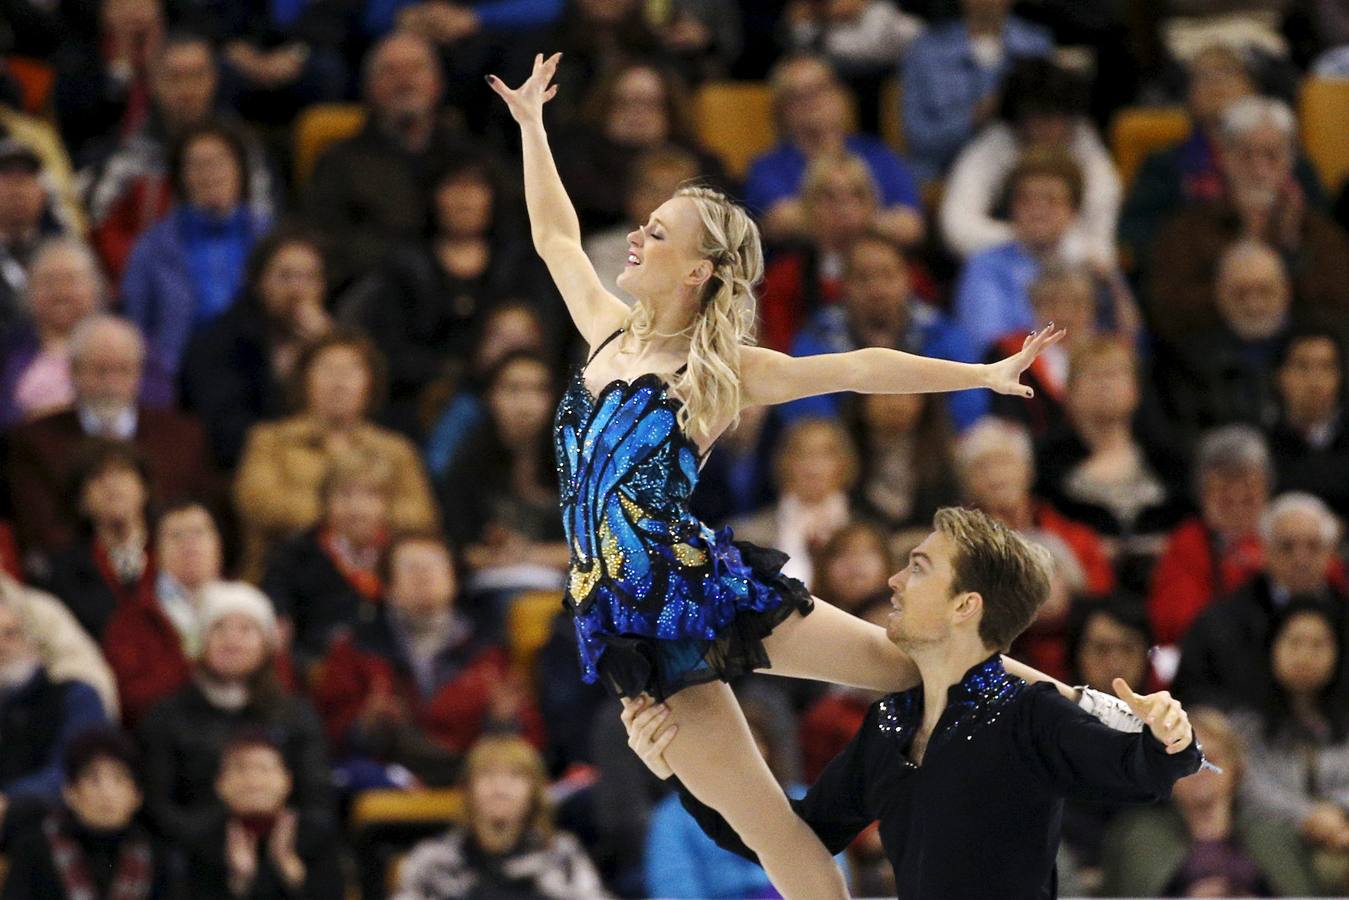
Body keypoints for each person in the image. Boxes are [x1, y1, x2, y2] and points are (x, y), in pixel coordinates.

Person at [490, 52, 1077, 899]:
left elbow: (857, 367)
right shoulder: (606, 332)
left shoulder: (715, 367)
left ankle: (1075, 705)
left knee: (904, 661)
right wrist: (532, 126)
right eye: (644, 223)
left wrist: (978, 376)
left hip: (694, 586)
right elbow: (552, 235)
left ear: (698, 270)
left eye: (658, 231)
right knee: (771, 830)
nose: (636, 235)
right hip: (634, 622)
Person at [626, 506, 1203, 897]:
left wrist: (1172, 736)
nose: (895, 582)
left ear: (964, 606)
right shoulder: (890, 722)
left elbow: (1137, 770)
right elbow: (787, 836)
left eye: (918, 569)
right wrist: (685, 766)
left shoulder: (1028, 714)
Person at [338, 152, 553, 436]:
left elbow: (546, 336)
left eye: (475, 187)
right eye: (453, 187)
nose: (464, 199)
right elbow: (388, 352)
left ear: (492, 196)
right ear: (432, 197)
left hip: (512, 392)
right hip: (420, 400)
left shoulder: (521, 263)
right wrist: (458, 371)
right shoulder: (402, 266)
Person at [312, 532, 545, 788]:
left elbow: (528, 737)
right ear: (388, 585)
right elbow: (327, 733)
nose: (424, 575)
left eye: (434, 565)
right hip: (387, 774)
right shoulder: (356, 648)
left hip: (474, 774)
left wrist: (502, 722)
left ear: (453, 578)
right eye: (411, 567)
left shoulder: (490, 650)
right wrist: (367, 726)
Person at [137, 582, 333, 864]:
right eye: (219, 629)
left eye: (246, 630)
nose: (232, 640)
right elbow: (159, 809)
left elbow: (318, 803)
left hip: (286, 858)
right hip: (195, 864)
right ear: (200, 642)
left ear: (266, 645)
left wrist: (279, 848)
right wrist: (221, 844)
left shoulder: (297, 715)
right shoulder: (166, 717)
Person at [5, 314, 213, 568]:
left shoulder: (182, 436)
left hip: (171, 575)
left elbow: (200, 514)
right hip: (72, 581)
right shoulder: (34, 441)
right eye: (100, 370)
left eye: (122, 370)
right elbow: (41, 527)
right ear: (74, 371)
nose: (111, 383)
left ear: (139, 372)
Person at [232, 329, 438, 580]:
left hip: (377, 580)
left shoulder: (396, 450)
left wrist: (360, 517)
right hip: (284, 575)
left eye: (352, 370)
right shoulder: (270, 440)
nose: (339, 381)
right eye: (327, 369)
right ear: (304, 379)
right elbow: (258, 503)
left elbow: (421, 515)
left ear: (370, 383)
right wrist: (346, 515)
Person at [1146, 96, 1349, 351]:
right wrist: (1231, 293)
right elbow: (1167, 312)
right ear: (1225, 159)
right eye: (1246, 155)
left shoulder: (1318, 232)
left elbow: (1339, 305)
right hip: (1209, 369)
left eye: (1271, 156)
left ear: (1289, 161)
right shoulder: (1186, 231)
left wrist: (1291, 252)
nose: (1259, 169)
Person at [1101, 707, 1324, 898]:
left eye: (1211, 759)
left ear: (1236, 768)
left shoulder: (1275, 834)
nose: (1199, 771)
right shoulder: (1138, 836)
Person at [784, 229, 984, 431]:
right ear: (844, 284)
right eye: (864, 278)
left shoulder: (939, 332)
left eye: (887, 276)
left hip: (928, 449)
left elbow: (970, 399)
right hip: (845, 451)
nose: (877, 289)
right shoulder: (819, 335)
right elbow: (804, 408)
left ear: (908, 279)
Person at [120, 121, 272, 385]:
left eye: (219, 162)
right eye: (197, 165)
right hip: (178, 376)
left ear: (241, 170)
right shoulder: (153, 246)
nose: (209, 174)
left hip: (259, 372)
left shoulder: (269, 237)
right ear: (181, 178)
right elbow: (135, 325)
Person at [938, 57, 1121, 267]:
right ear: (1017, 118)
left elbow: (1101, 248)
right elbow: (956, 229)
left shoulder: (1088, 151)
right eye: (1032, 117)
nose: (1040, 129)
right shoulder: (996, 144)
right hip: (1002, 267)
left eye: (1051, 117)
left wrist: (1054, 244)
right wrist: (1029, 240)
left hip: (1070, 273)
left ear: (1071, 117)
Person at [1175, 491, 1347, 710]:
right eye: (1287, 546)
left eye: (1313, 546)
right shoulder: (1218, 623)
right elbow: (1193, 694)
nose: (1300, 559)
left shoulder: (1343, 614)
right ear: (1264, 550)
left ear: (1331, 552)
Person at [179, 229, 333, 469]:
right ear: (259, 282)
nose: (298, 291)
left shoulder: (331, 342)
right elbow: (226, 433)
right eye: (285, 277)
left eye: (309, 278)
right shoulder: (220, 342)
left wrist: (328, 350)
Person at [394, 735, 608, 899]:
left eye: (514, 776)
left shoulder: (562, 857)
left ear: (534, 792)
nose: (500, 787)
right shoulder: (434, 862)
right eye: (488, 775)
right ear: (468, 789)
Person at [744, 55, 922, 246]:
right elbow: (781, 221)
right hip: (805, 267)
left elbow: (910, 226)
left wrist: (830, 217)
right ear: (780, 111)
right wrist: (869, 217)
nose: (811, 103)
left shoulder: (877, 154)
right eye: (797, 96)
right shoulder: (768, 167)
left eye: (820, 90)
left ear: (841, 96)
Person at [0, 727, 176, 900]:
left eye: (119, 779)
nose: (107, 793)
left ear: (137, 796)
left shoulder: (158, 857)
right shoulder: (33, 850)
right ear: (70, 793)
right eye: (93, 779)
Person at [261, 453, 393, 673]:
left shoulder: (401, 553)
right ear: (325, 502)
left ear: (387, 504)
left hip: (392, 671)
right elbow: (276, 606)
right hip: (316, 669)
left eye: (370, 495)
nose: (356, 508)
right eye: (344, 495)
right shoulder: (294, 553)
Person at [901, 0, 1054, 181]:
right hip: (945, 170)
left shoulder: (1037, 45)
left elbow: (1052, 123)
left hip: (1024, 168)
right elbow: (918, 138)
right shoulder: (926, 49)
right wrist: (973, 118)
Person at [100, 500, 223, 726]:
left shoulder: (249, 605)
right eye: (176, 536)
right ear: (156, 551)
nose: (190, 544)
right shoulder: (131, 620)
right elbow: (129, 698)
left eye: (199, 532)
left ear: (218, 543)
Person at [0, 592, 109, 843]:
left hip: (59, 840)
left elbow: (78, 770)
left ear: (33, 641)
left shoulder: (77, 696)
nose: (2, 646)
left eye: (11, 634)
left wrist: (11, 801)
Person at [182, 729, 343, 899]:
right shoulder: (202, 843)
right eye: (240, 769)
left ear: (287, 781)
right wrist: (240, 881)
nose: (253, 781)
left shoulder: (317, 835)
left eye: (264, 769)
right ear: (220, 784)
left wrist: (293, 874)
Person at [1148, 424, 1271, 647]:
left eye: (1246, 483)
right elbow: (1173, 620)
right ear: (1202, 492)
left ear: (1266, 489)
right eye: (1224, 486)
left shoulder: (1287, 534)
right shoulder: (1188, 543)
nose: (1236, 494)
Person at [41, 439, 156, 641]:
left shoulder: (171, 552)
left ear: (144, 489)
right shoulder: (61, 574)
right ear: (80, 502)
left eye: (122, 472)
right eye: (97, 477)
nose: (111, 484)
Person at [0, 238, 105, 428]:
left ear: (95, 287)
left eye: (72, 280)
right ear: (30, 291)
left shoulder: (121, 342)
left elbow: (151, 402)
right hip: (23, 449)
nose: (61, 292)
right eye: (49, 281)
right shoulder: (9, 349)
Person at [1266, 324, 1349, 516]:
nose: (1315, 381)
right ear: (1280, 376)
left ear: (1339, 377)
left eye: (1326, 367)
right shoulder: (1262, 444)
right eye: (1302, 367)